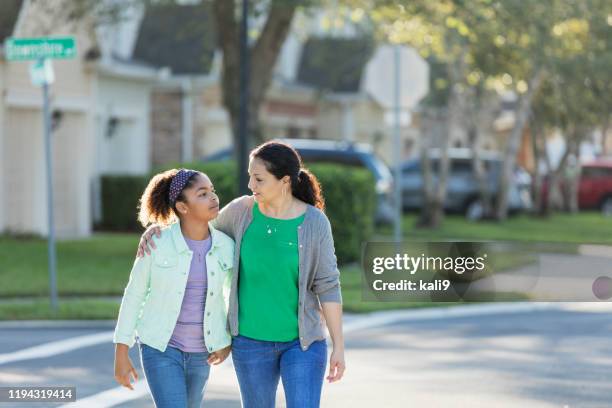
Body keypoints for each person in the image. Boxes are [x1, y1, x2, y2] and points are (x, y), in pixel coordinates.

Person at [138, 141, 346, 408]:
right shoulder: (240, 212)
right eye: (250, 176)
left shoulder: (315, 222)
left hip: (303, 344)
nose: (251, 185)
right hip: (250, 343)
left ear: (284, 181)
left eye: (258, 179)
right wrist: (159, 230)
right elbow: (197, 229)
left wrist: (338, 345)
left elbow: (328, 285)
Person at [114, 168, 234, 408]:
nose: (213, 198)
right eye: (202, 193)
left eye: (212, 191)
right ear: (182, 207)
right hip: (160, 348)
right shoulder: (156, 243)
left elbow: (232, 296)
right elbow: (134, 295)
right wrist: (121, 352)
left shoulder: (226, 245)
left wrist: (226, 341)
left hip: (203, 352)